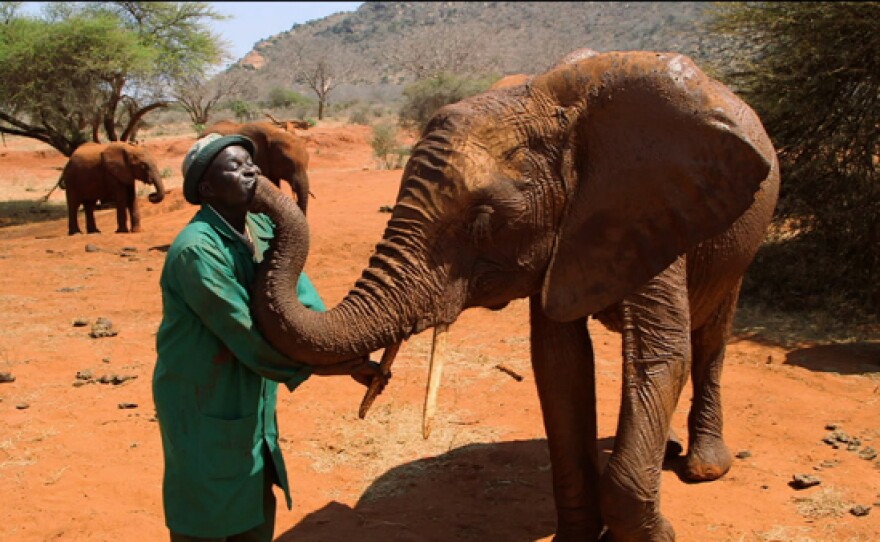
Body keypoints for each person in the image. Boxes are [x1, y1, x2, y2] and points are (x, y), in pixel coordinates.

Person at [152, 133, 384, 541]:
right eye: (236, 167)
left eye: (251, 163)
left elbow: (295, 299)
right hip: (203, 392)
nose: (252, 171)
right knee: (205, 506)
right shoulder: (196, 252)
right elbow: (245, 335)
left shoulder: (259, 225)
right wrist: (332, 366)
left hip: (247, 391)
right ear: (207, 189)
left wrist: (343, 347)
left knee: (254, 488)